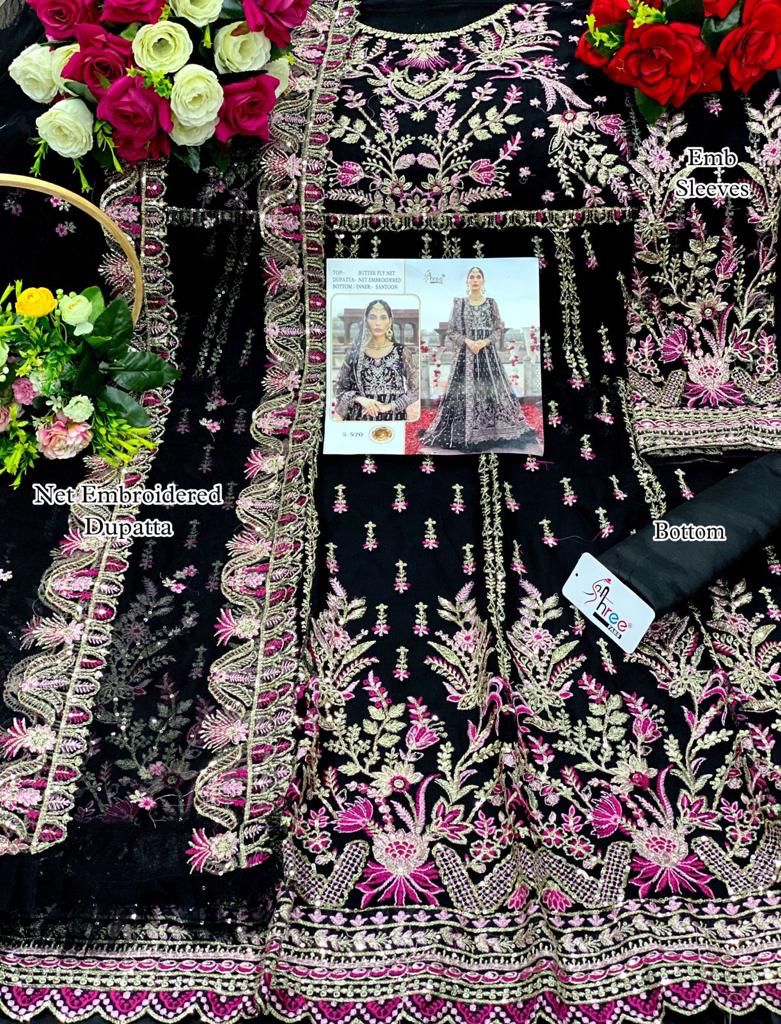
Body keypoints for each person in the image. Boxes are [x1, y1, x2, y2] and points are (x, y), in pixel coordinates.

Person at [420, 266, 538, 451]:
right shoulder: (459, 304)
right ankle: (466, 432)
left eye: (478, 277)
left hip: (488, 355)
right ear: (467, 281)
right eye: (472, 277)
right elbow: (451, 331)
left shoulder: (491, 303)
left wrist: (484, 342)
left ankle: (494, 431)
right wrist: (467, 341)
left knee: (493, 390)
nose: (475, 280)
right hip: (465, 356)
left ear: (483, 281)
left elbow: (498, 329)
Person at [332, 298, 419, 421]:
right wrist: (359, 399)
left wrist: (389, 406)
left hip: (393, 419)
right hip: (360, 419)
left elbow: (416, 389)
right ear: (366, 321)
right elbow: (339, 388)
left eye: (383, 317)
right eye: (372, 317)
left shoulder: (401, 352)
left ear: (390, 321)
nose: (378, 323)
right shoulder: (354, 354)